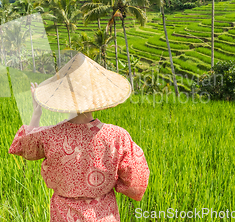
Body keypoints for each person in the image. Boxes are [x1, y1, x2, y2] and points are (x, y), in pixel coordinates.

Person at [8, 53, 150, 222]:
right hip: (103, 213)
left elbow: (24, 146)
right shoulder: (117, 136)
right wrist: (119, 186)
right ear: (95, 97)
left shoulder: (49, 134)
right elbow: (137, 177)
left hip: (64, 214)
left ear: (61, 97)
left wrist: (36, 112)